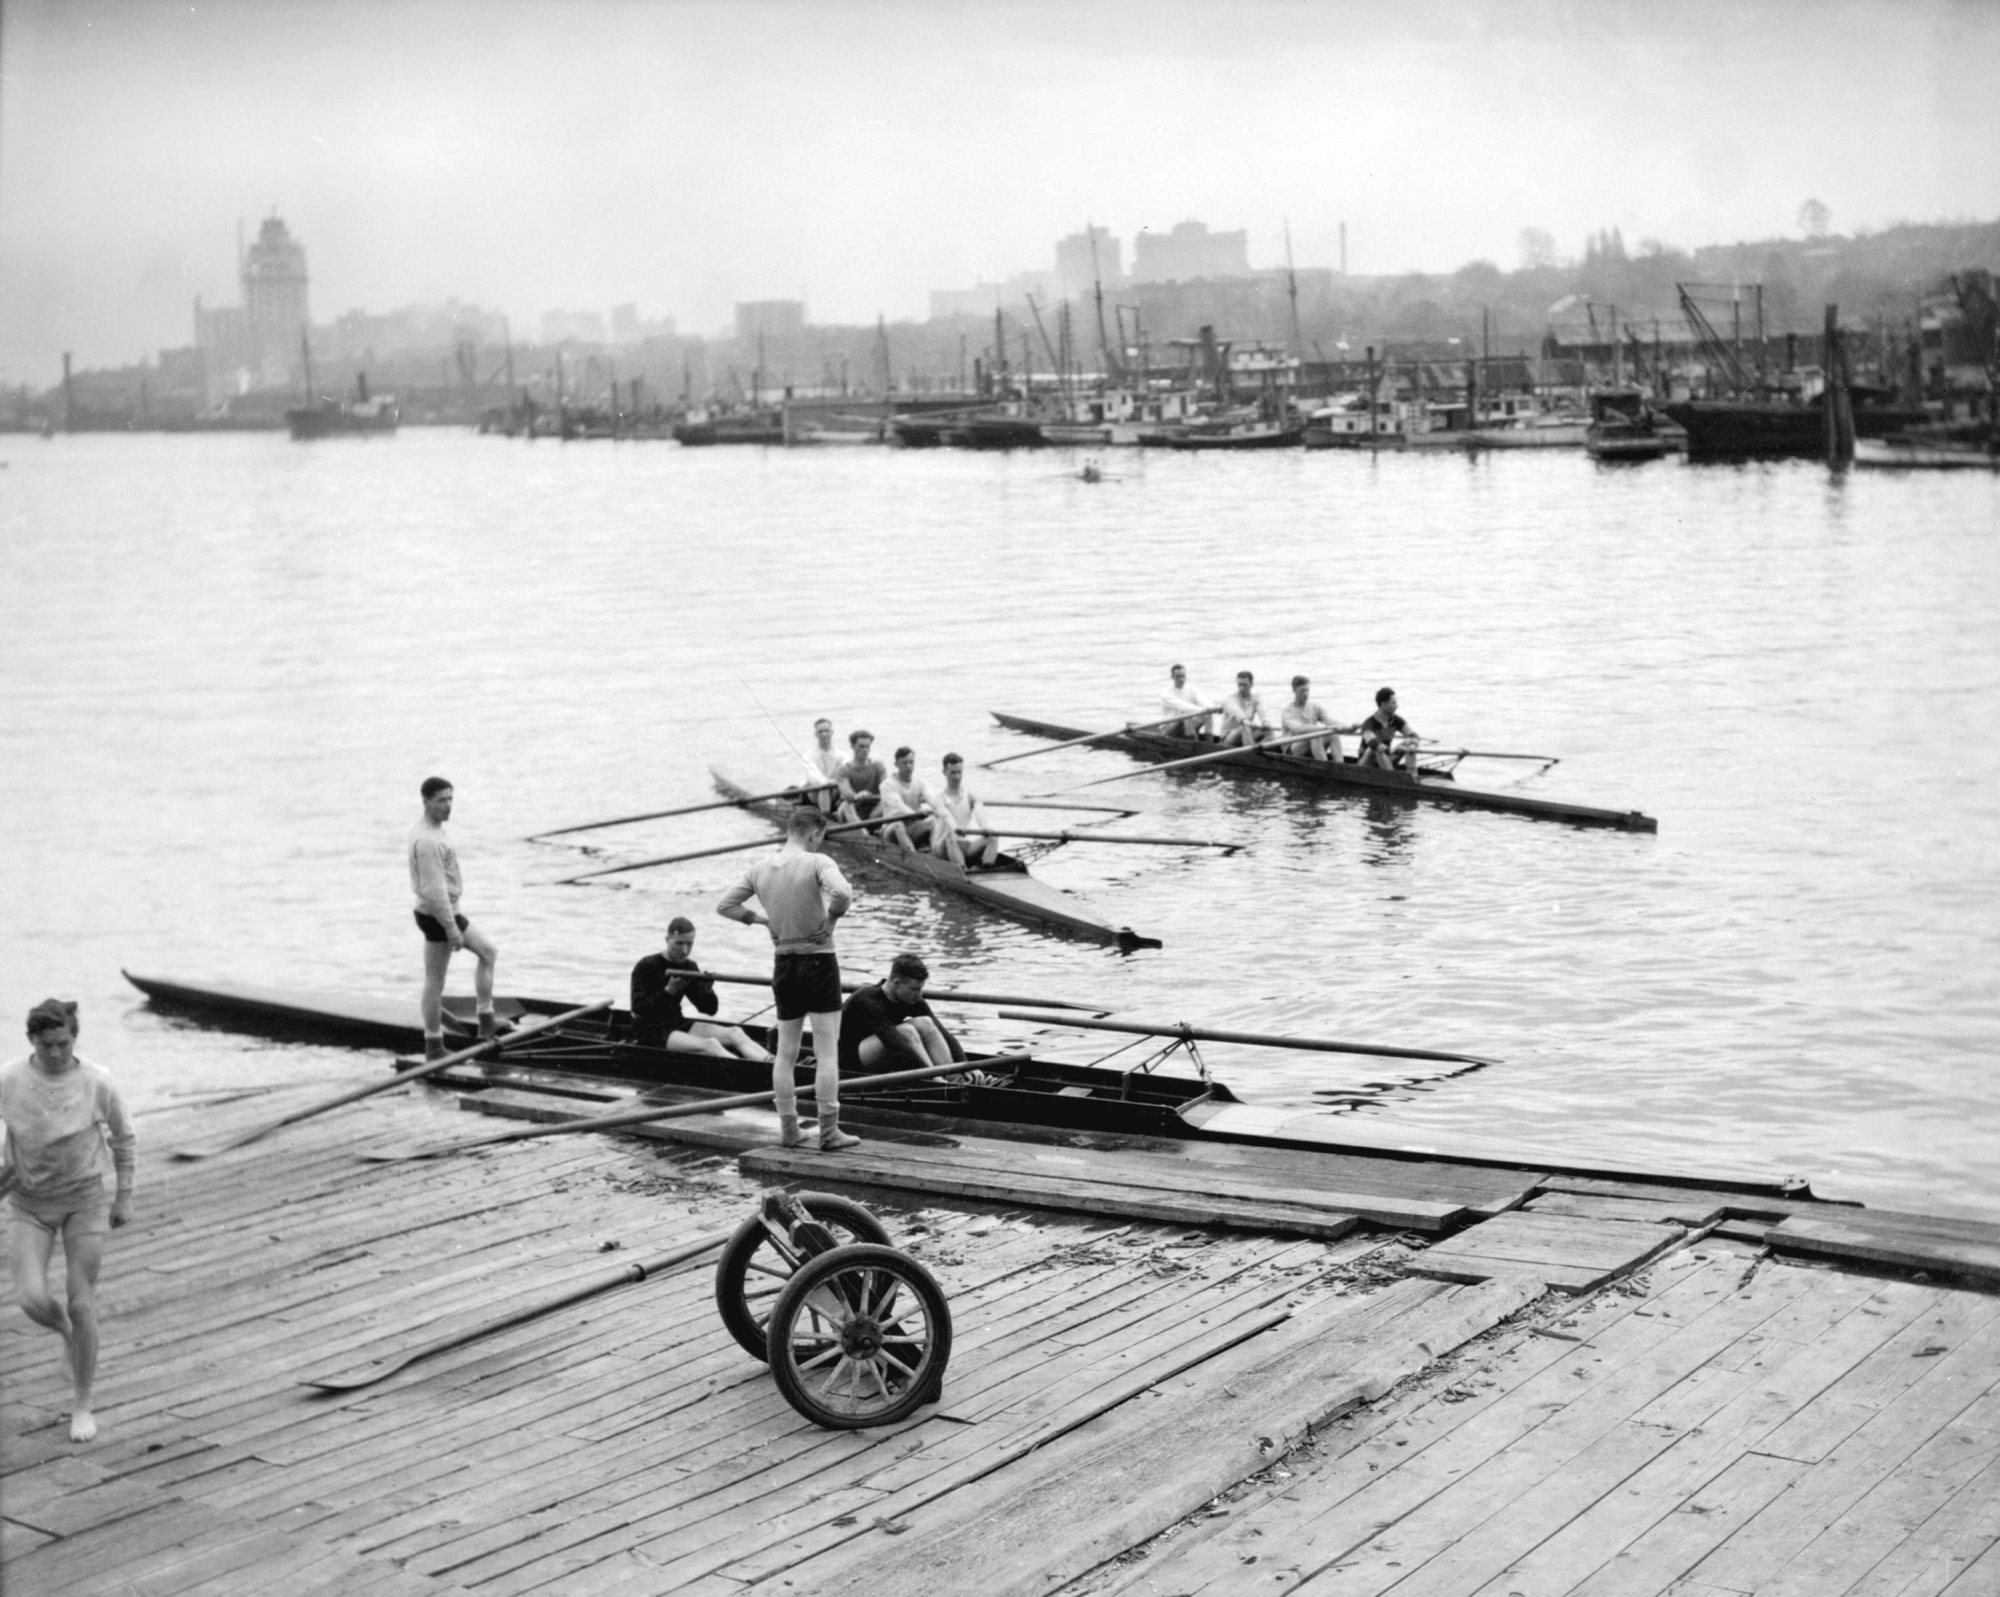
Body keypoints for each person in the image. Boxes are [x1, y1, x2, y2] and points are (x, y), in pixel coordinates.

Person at [2, 999, 135, 1444]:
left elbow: (124, 1136)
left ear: (74, 1038)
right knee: (31, 1298)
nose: (56, 1053)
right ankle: (64, 1335)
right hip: (29, 1202)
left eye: (64, 1043)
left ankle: (82, 1403)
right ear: (31, 1042)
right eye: (46, 1045)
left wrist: (125, 1197)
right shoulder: (11, 1078)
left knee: (82, 1303)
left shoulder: (96, 1081)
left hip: (84, 1201)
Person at [716, 805, 861, 1150]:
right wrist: (832, 921)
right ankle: (829, 1131)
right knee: (827, 1052)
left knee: (786, 1053)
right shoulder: (817, 862)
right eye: (819, 837)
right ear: (814, 833)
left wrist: (762, 921)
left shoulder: (760, 869)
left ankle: (790, 1129)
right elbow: (843, 893)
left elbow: (725, 906)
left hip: (784, 964)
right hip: (819, 961)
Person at [409, 775, 504, 1061]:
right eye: (441, 801)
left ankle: (485, 1023)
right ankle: (434, 1046)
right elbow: (433, 889)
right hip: (438, 914)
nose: (448, 806)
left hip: (440, 911)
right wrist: (452, 929)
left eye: (451, 799)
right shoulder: (427, 840)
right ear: (426, 802)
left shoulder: (431, 829)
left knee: (488, 952)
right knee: (436, 981)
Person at [629, 917, 771, 1061]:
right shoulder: (646, 966)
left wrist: (707, 988)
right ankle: (750, 1071)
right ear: (667, 939)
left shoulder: (689, 966)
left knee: (735, 1033)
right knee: (711, 1045)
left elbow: (709, 1010)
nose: (684, 950)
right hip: (651, 1031)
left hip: (677, 1023)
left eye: (689, 944)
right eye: (679, 943)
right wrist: (669, 991)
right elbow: (639, 1009)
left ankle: (774, 1064)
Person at [839, 955, 995, 1084]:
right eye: (914, 989)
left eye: (920, 989)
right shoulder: (868, 1001)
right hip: (850, 1062)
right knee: (906, 1031)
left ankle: (954, 1078)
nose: (918, 994)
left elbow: (943, 1034)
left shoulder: (912, 999)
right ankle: (935, 1080)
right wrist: (932, 1076)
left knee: (925, 1023)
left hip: (885, 1052)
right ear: (897, 983)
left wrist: (966, 1065)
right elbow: (897, 1045)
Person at [933, 753, 1000, 868]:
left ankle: (985, 869)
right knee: (950, 837)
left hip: (963, 844)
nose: (957, 776)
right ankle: (963, 872)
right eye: (953, 773)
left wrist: (985, 828)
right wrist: (956, 828)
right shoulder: (939, 799)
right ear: (944, 773)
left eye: (959, 772)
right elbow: (946, 816)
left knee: (993, 838)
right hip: (942, 847)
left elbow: (980, 814)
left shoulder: (971, 796)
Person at [878, 746, 942, 857]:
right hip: (891, 828)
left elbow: (932, 799)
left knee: (934, 822)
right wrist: (918, 814)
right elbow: (899, 807)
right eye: (904, 763)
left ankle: (936, 856)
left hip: (913, 826)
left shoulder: (920, 782)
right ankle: (913, 857)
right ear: (896, 765)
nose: (908, 766)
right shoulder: (887, 785)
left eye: (911, 762)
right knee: (899, 825)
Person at [1280, 675, 1357, 762]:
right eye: (1302, 691)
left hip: (1310, 743)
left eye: (1307, 690)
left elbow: (1330, 721)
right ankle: (1324, 768)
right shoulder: (1287, 712)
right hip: (1292, 749)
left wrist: (1348, 728)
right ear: (1294, 690)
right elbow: (1298, 729)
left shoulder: (1315, 707)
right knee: (1316, 735)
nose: (1305, 694)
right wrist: (1325, 728)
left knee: (1333, 735)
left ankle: (1340, 766)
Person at [1357, 686, 1423, 774]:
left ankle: (1412, 776)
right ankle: (1392, 777)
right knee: (1376, 749)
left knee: (1409, 742)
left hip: (1385, 758)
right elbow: (1374, 743)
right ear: (1383, 704)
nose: (1397, 706)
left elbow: (1414, 735)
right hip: (1365, 763)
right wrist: (1396, 749)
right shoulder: (1369, 723)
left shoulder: (1396, 720)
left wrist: (1413, 745)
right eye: (1393, 703)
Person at [833, 730, 886, 824]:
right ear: (853, 746)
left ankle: (870, 825)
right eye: (861, 746)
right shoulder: (843, 770)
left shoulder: (878, 766)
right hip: (852, 808)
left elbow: (886, 789)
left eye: (867, 746)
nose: (865, 749)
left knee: (888, 802)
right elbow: (847, 793)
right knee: (846, 805)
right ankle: (864, 833)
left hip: (874, 809)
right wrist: (857, 796)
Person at [1217, 670, 1271, 749]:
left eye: (1245, 685)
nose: (1241, 688)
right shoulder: (1229, 699)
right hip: (1228, 738)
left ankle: (1273, 753)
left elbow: (1262, 711)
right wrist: (1248, 723)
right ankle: (1252, 755)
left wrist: (1265, 722)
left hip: (1246, 733)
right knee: (1244, 727)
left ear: (1252, 684)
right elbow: (1239, 715)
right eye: (1240, 685)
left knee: (1268, 729)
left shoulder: (1256, 698)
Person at [1161, 663, 1215, 739]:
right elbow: (1182, 705)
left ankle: (1209, 742)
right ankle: (1194, 742)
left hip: (1187, 725)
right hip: (1168, 729)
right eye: (1178, 677)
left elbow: (1204, 701)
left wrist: (1212, 709)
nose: (1181, 680)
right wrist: (1203, 710)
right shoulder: (1166, 694)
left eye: (1183, 676)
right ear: (1172, 677)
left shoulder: (1192, 690)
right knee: (1186, 715)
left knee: (1207, 715)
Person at [802, 718, 842, 813]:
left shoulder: (842, 755)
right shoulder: (809, 755)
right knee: (823, 785)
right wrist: (827, 782)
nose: (824, 734)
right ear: (816, 734)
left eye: (826, 731)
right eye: (820, 731)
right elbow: (813, 776)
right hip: (814, 794)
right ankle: (825, 816)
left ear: (832, 732)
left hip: (834, 790)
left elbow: (845, 773)